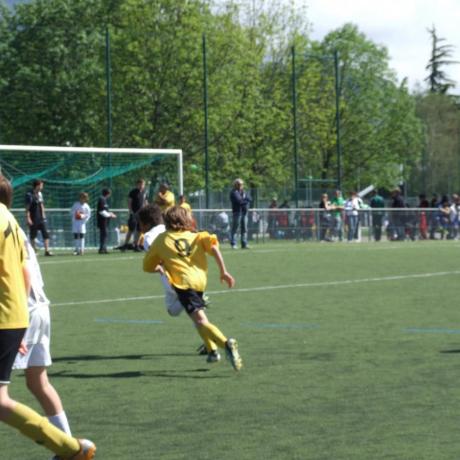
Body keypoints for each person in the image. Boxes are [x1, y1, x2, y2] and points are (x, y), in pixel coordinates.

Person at [0, 174, 96, 459]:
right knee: (37, 382)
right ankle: (66, 443)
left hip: (13, 313)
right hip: (24, 310)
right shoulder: (12, 222)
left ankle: (67, 447)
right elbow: (24, 271)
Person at [143, 206, 243, 371]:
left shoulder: (161, 240)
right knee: (197, 319)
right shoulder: (197, 235)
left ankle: (227, 344)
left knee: (200, 320)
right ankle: (212, 351)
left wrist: (159, 266)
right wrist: (223, 271)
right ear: (186, 220)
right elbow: (214, 248)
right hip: (199, 283)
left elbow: (147, 266)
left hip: (183, 284)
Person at [138, 204, 216, 361]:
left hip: (174, 279)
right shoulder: (171, 227)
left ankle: (211, 345)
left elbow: (157, 257)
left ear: (145, 224)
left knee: (185, 310)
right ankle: (209, 340)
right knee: (183, 312)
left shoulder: (149, 237)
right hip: (191, 273)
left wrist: (159, 266)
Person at [25, 179, 53, 256]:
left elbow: (41, 205)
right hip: (33, 217)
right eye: (41, 185)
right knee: (33, 235)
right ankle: (34, 251)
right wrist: (28, 218)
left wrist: (43, 215)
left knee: (45, 233)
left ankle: (47, 250)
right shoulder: (29, 195)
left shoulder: (40, 194)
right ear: (37, 185)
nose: (42, 187)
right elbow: (27, 208)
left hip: (40, 217)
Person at [122, 179, 148, 252]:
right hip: (134, 213)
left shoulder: (144, 192)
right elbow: (129, 202)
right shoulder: (133, 192)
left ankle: (136, 245)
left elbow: (145, 202)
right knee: (131, 229)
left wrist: (146, 209)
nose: (142, 186)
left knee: (140, 230)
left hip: (141, 214)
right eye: (140, 184)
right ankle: (125, 244)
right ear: (137, 184)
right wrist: (131, 211)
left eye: (143, 184)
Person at [229, 178, 251, 249]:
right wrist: (246, 200)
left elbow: (250, 198)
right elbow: (239, 201)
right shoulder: (233, 192)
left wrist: (245, 200)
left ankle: (244, 243)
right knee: (235, 228)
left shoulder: (244, 192)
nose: (240, 186)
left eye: (241, 184)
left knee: (244, 228)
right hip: (237, 212)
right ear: (235, 185)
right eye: (238, 184)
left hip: (244, 212)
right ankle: (233, 243)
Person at [96, 188, 116, 254]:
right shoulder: (102, 199)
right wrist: (110, 215)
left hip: (105, 221)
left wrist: (110, 213)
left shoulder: (103, 199)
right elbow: (101, 211)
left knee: (104, 234)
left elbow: (105, 210)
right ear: (108, 194)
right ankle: (102, 249)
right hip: (102, 221)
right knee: (104, 234)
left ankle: (103, 248)